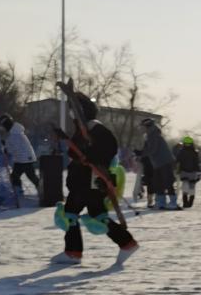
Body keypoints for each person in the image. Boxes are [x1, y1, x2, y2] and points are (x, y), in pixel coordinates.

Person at [54, 93, 138, 263]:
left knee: (71, 213)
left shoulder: (95, 128)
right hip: (86, 181)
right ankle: (126, 243)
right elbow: (76, 151)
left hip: (88, 180)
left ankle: (73, 252)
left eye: (72, 110)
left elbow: (107, 149)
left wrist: (91, 156)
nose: (71, 114)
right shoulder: (84, 129)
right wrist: (67, 140)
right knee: (97, 214)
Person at [139, 118, 178, 210]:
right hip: (158, 163)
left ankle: (173, 203)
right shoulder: (150, 135)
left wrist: (141, 153)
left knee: (167, 182)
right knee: (158, 182)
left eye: (143, 126)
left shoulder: (153, 135)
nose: (142, 129)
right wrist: (141, 153)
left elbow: (153, 149)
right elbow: (149, 149)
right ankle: (161, 202)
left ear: (147, 126)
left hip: (164, 162)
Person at [0, 115, 40, 196]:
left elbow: (13, 148)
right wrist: (4, 144)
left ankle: (42, 189)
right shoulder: (13, 132)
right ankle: (18, 191)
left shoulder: (15, 134)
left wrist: (6, 149)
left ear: (6, 125)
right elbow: (10, 144)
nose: (2, 129)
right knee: (15, 176)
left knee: (30, 175)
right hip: (21, 159)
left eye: (2, 126)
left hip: (25, 159)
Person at [176, 136, 201, 208]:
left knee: (186, 187)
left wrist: (177, 171)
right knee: (190, 187)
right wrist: (199, 173)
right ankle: (189, 202)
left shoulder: (181, 152)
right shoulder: (195, 152)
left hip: (185, 172)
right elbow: (197, 163)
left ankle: (186, 202)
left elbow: (178, 162)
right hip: (191, 172)